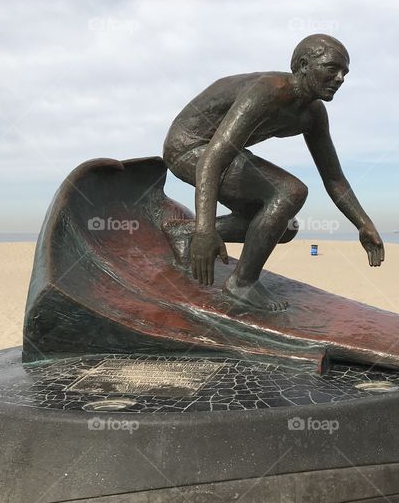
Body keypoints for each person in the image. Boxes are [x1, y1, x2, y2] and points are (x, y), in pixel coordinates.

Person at [163, 34, 384, 311]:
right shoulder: (268, 91)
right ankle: (242, 283)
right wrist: (205, 231)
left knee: (285, 227)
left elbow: (333, 178)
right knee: (291, 191)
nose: (340, 78)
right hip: (189, 148)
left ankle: (183, 233)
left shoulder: (313, 114)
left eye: (344, 73)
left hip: (218, 152)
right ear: (304, 65)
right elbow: (213, 159)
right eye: (332, 68)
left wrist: (363, 224)